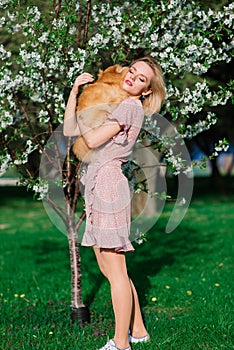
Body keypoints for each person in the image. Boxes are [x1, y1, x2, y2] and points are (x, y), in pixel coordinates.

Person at [64, 57, 166, 350]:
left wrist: (88, 117)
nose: (133, 77)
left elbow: (92, 140)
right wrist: (75, 93)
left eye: (142, 78)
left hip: (109, 187)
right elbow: (71, 129)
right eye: (132, 71)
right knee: (109, 268)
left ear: (146, 91)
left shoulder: (130, 107)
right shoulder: (122, 105)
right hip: (99, 186)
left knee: (116, 270)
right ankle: (139, 331)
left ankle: (121, 344)